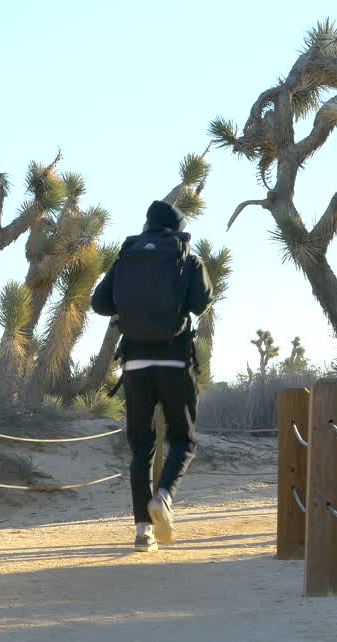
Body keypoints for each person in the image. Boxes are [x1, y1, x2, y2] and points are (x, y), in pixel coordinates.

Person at [91, 199, 212, 551]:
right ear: (177, 228)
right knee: (183, 439)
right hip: (175, 360)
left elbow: (100, 303)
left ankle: (143, 530)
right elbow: (201, 302)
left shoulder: (127, 257)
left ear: (147, 226)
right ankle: (163, 495)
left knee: (140, 449)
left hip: (135, 363)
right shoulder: (187, 259)